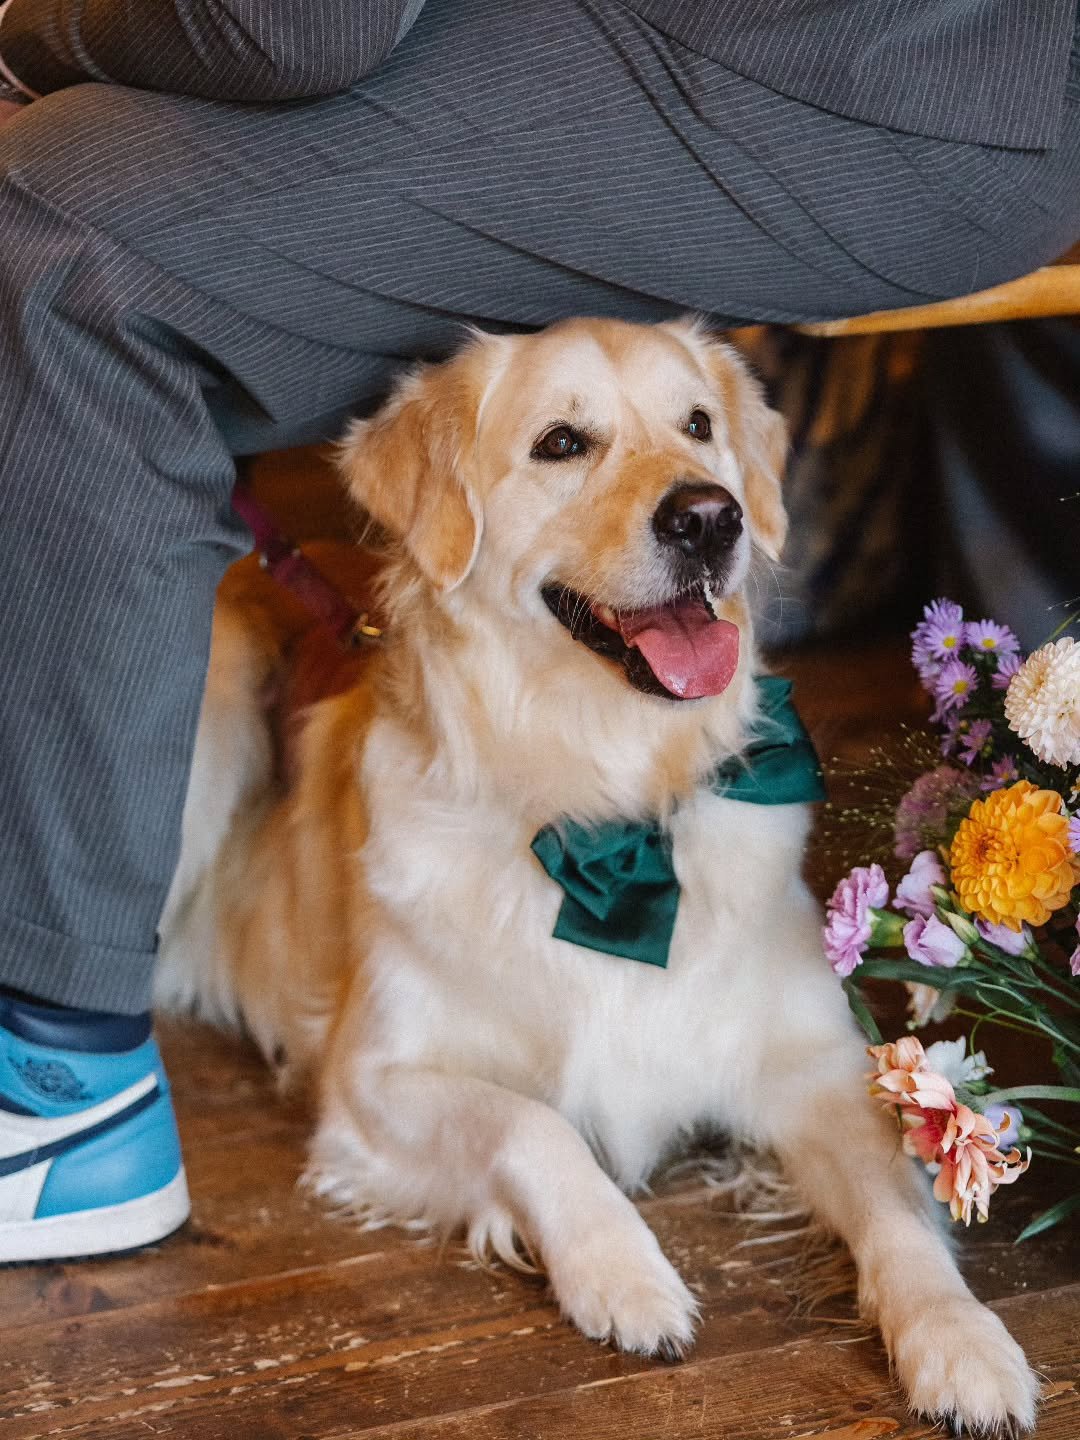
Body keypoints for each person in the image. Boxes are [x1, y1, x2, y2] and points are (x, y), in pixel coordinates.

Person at [1, 0, 1078, 1263]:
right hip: (960, 61)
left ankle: (58, 1094)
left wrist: (28, 34)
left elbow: (293, 24)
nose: (691, 496)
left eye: (690, 441)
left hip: (881, 63)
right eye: (566, 446)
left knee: (54, 219)